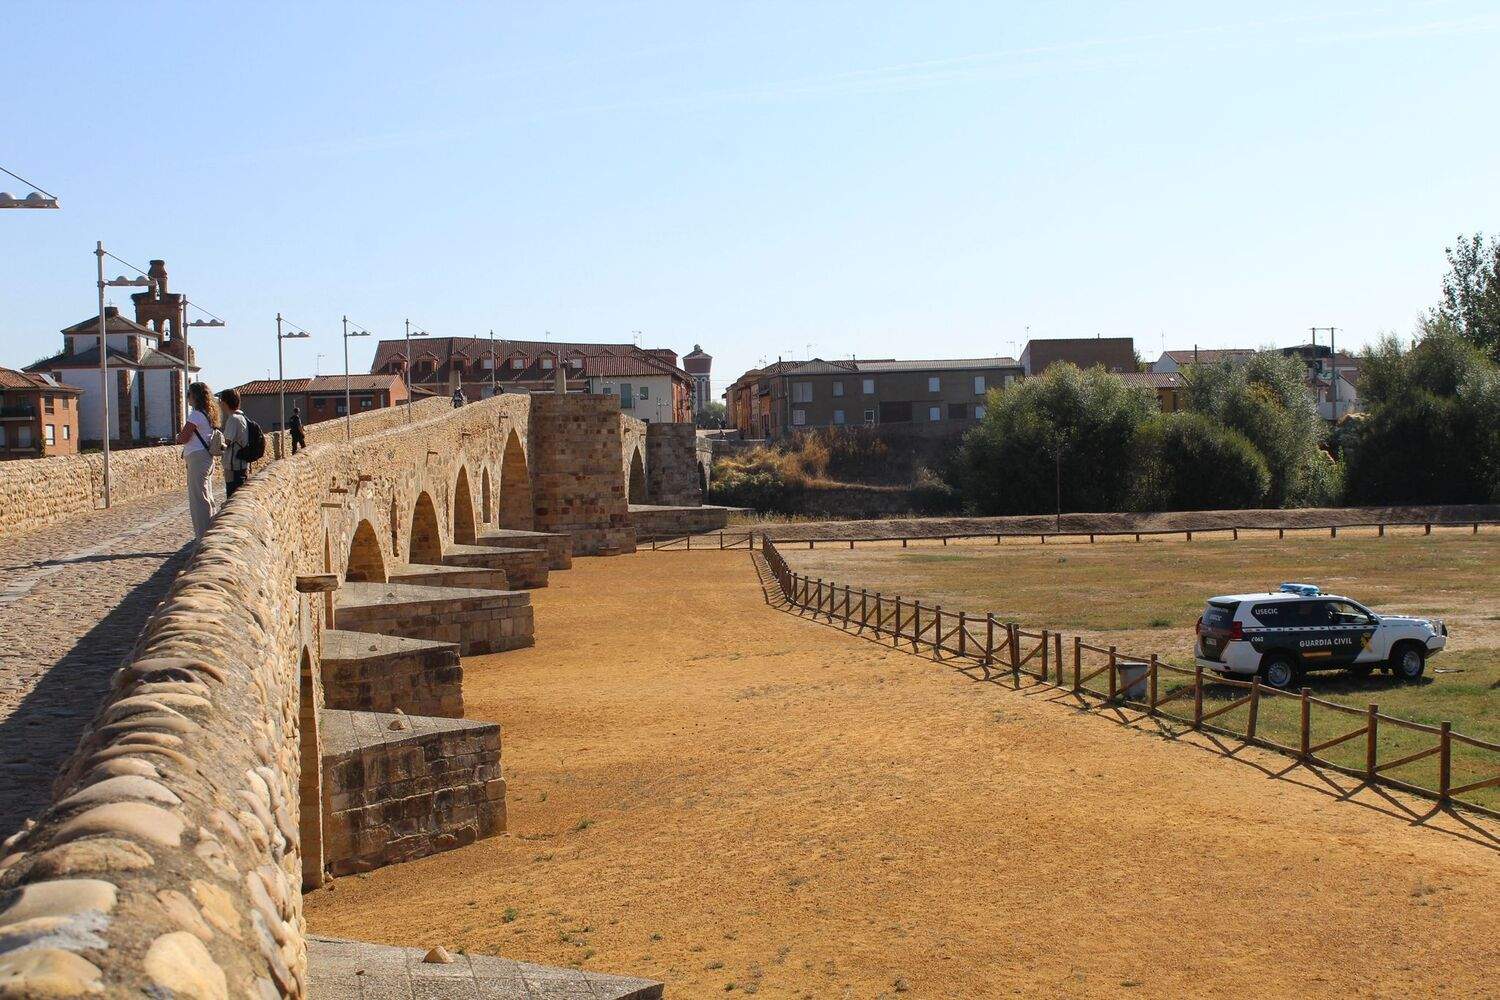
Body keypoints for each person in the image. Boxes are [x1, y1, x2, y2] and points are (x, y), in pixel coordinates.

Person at [177, 382, 221, 537]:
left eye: (189, 394)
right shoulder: (208, 414)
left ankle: (202, 536)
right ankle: (210, 532)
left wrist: (178, 437)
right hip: (206, 458)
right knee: (206, 496)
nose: (187, 397)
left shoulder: (195, 415)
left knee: (198, 500)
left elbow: (183, 437)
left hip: (197, 458)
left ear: (195, 396)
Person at [217, 388, 249, 498]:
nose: (219, 403)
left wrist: (215, 446)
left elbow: (227, 443)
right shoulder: (242, 417)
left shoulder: (233, 419)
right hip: (241, 465)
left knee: (232, 496)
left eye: (221, 400)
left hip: (233, 466)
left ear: (225, 402)